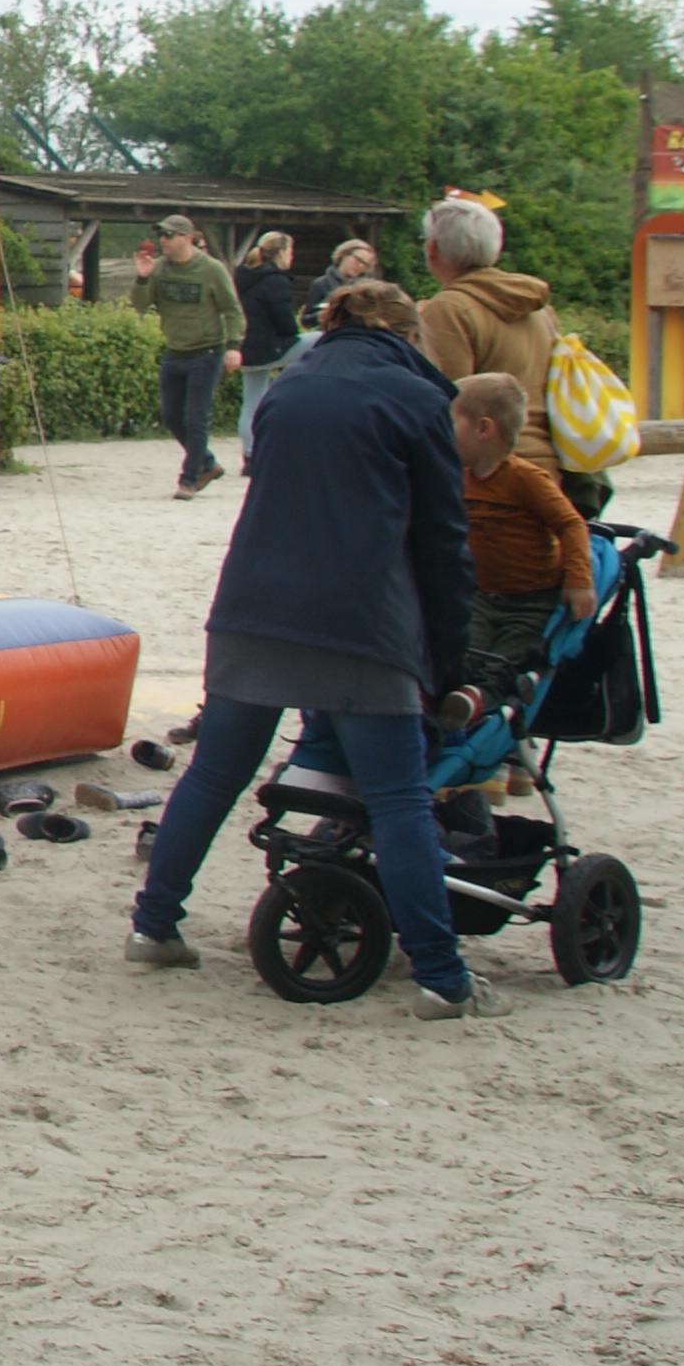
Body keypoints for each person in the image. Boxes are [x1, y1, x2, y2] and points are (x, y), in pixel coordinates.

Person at [122, 279, 503, 1020]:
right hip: (360, 623)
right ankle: (442, 977)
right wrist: (449, 661)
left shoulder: (288, 390)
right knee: (397, 800)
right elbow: (442, 544)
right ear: (407, 335)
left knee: (213, 776)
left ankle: (153, 925)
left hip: (251, 610)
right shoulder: (420, 401)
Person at [409, 197, 602, 524]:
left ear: (433, 250)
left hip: (490, 479)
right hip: (547, 468)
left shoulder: (450, 309)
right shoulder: (536, 308)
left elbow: (448, 406)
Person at [448, 372, 595, 716]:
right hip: (483, 595)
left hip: (532, 599)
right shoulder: (459, 478)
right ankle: (459, 702)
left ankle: (475, 702)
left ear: (484, 429)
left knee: (512, 658)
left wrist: (578, 580)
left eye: (449, 423)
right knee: (464, 651)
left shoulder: (525, 479)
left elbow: (570, 523)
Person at [135, 215, 242, 499]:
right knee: (171, 417)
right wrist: (143, 278)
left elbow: (232, 309)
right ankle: (208, 463)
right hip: (174, 352)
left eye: (170, 235)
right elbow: (139, 304)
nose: (164, 241)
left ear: (187, 238)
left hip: (206, 352)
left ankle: (190, 479)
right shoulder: (158, 268)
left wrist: (233, 346)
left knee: (196, 418)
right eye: (161, 235)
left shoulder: (211, 270)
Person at [231, 231, 300, 480]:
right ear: (281, 252)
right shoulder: (276, 280)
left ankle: (250, 457)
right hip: (270, 348)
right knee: (322, 341)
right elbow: (286, 324)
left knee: (251, 401)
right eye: (290, 251)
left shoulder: (243, 276)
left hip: (246, 349)